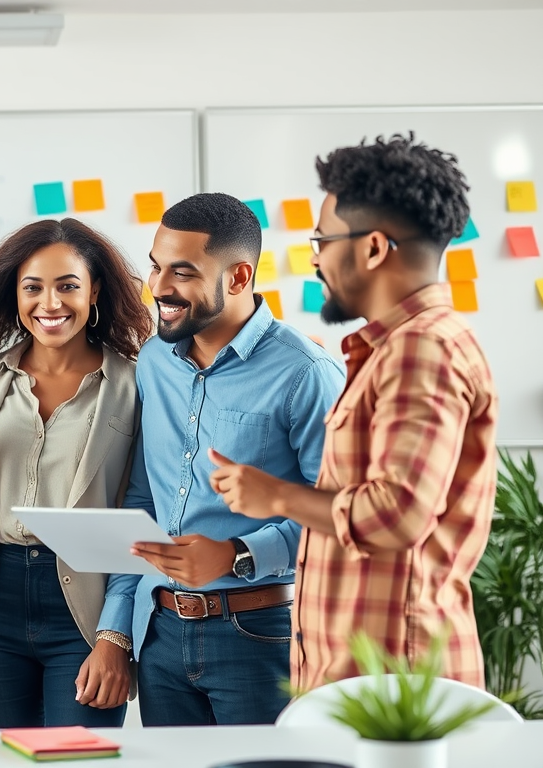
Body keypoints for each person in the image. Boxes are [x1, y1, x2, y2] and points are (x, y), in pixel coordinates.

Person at [207, 134, 498, 691]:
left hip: (395, 685)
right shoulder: (394, 348)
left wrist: (275, 496)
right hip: (358, 679)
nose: (315, 256)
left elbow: (398, 513)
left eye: (323, 239)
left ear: (371, 248)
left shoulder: (423, 348)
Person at [111, 192, 345, 726]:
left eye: (183, 272)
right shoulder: (153, 362)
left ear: (239, 278)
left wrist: (238, 554)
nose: (160, 288)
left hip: (260, 635)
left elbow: (342, 516)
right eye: (155, 266)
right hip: (161, 633)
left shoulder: (306, 373)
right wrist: (115, 627)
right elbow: (144, 498)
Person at [0, 218, 154, 728]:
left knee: (77, 763)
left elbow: (143, 508)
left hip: (86, 600)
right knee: (2, 760)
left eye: (68, 286)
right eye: (32, 287)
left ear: (95, 289)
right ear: (13, 294)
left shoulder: (134, 382)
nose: (49, 304)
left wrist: (116, 635)